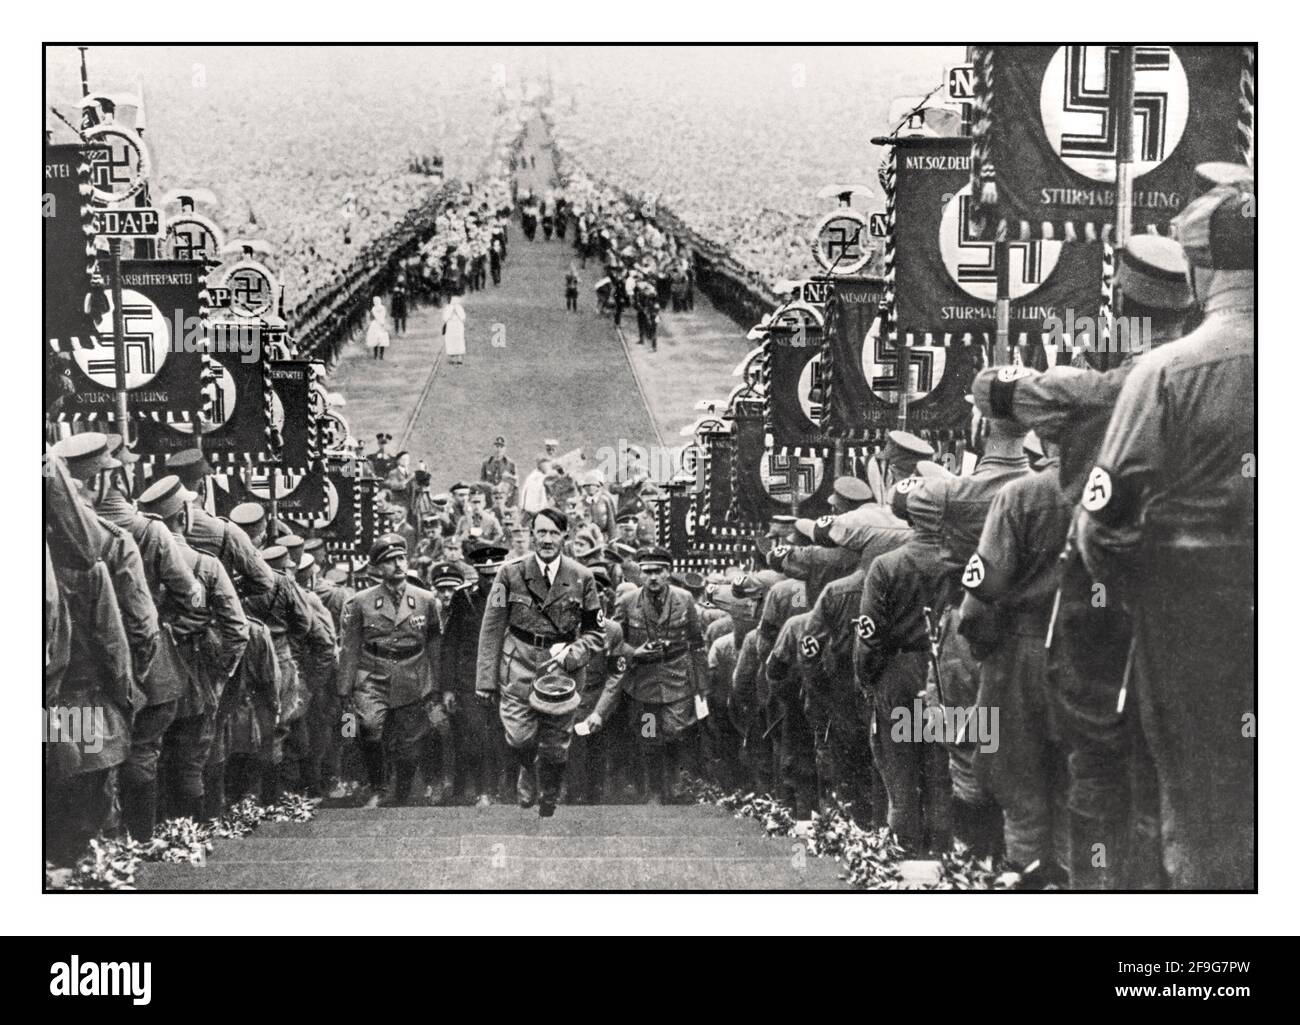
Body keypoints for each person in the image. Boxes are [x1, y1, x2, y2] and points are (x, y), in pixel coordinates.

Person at [1078, 174, 1255, 890]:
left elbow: (1100, 526)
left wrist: (1142, 583)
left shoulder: (1167, 373)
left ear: (1198, 267)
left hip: (1194, 620)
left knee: (1201, 810)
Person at [474, 508, 605, 817]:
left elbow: (595, 632)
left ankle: (549, 791)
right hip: (518, 662)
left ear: (565, 536)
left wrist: (573, 654)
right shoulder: (510, 573)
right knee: (520, 735)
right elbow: (492, 627)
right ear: (532, 535)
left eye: (553, 533)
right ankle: (526, 769)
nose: (547, 540)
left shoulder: (582, 577)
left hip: (561, 670)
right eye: (541, 533)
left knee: (557, 744)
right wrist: (485, 680)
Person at [337, 534, 444, 807]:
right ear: (377, 568)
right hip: (373, 674)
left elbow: (433, 642)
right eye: (389, 561)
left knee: (410, 742)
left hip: (412, 674)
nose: (397, 565)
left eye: (400, 558)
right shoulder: (361, 602)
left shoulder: (426, 599)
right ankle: (378, 787)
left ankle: (402, 793)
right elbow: (350, 646)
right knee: (369, 726)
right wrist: (344, 688)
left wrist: (436, 684)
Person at [442, 293, 467, 366]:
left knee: (451, 341)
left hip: (451, 326)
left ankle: (452, 358)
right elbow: (463, 318)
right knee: (458, 340)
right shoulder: (459, 308)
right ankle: (459, 357)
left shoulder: (448, 308)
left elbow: (445, 318)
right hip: (458, 326)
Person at [366, 295, 391, 360]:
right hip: (379, 324)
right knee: (378, 340)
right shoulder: (378, 308)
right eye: (375, 301)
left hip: (378, 324)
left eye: (376, 301)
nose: (376, 302)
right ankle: (378, 355)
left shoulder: (378, 308)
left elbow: (373, 317)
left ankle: (378, 356)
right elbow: (383, 316)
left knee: (379, 340)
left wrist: (381, 322)